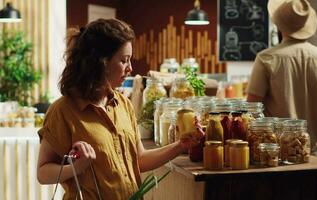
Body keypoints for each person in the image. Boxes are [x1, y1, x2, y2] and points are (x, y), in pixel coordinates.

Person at [36, 18, 204, 200]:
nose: (130, 68)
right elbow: (43, 173)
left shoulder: (123, 104)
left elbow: (139, 159)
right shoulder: (63, 111)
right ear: (100, 62)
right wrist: (77, 167)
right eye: (124, 61)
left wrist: (181, 145)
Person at [246, 0, 317, 151]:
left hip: (274, 152)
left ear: (278, 25)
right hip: (311, 152)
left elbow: (251, 108)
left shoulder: (266, 58)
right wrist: (310, 110)